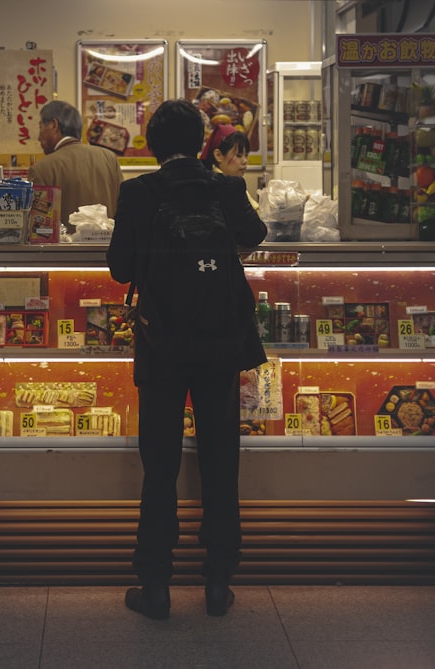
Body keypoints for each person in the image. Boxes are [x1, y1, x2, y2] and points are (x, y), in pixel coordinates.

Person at [107, 99, 268, 620]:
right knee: (222, 464)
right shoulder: (225, 187)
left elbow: (119, 268)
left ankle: (155, 587)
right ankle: (218, 584)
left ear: (152, 146)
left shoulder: (139, 192)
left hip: (162, 346)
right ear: (201, 142)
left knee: (160, 467)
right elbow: (256, 235)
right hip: (221, 344)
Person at [28, 100, 124, 227]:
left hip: (65, 247)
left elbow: (39, 227)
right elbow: (123, 209)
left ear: (54, 125)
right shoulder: (109, 158)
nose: (39, 138)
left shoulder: (41, 169)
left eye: (41, 127)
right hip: (108, 246)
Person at [200, 124, 260, 211]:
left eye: (246, 155)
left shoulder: (230, 182)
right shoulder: (222, 188)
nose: (245, 161)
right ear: (218, 155)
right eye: (238, 155)